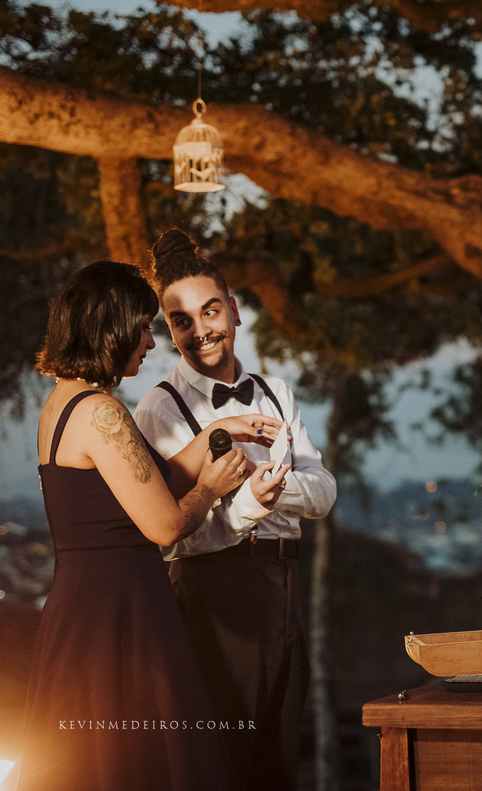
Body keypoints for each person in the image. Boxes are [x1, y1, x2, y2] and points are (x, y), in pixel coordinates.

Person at [16, 260, 283, 791]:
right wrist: (212, 487)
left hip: (83, 604)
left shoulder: (63, 402)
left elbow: (144, 480)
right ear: (112, 326)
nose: (150, 342)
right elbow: (164, 524)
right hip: (120, 612)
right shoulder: (102, 413)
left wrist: (217, 432)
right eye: (143, 327)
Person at [134, 229, 337, 791]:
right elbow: (171, 536)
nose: (201, 331)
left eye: (211, 310)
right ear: (168, 331)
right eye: (182, 321)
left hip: (285, 582)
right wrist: (250, 503)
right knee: (225, 760)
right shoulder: (159, 407)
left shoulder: (276, 391)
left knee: (279, 758)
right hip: (215, 596)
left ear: (236, 311)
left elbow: (322, 493)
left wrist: (262, 488)